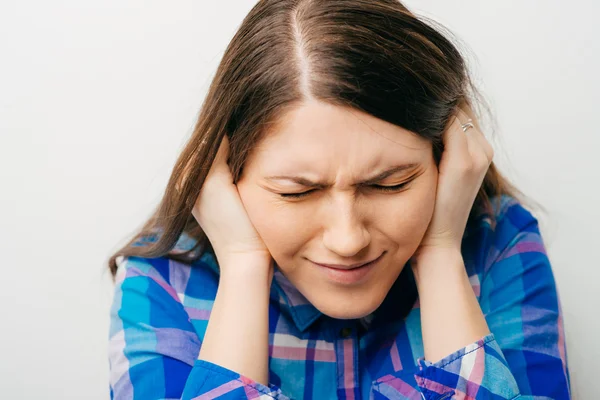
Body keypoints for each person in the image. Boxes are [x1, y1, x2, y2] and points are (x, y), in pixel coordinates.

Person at [107, 1, 571, 398]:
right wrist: (244, 265)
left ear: (449, 160)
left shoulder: (500, 246)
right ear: (224, 176)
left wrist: (440, 253)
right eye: (298, 192)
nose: (348, 240)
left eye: (389, 184)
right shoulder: (164, 279)